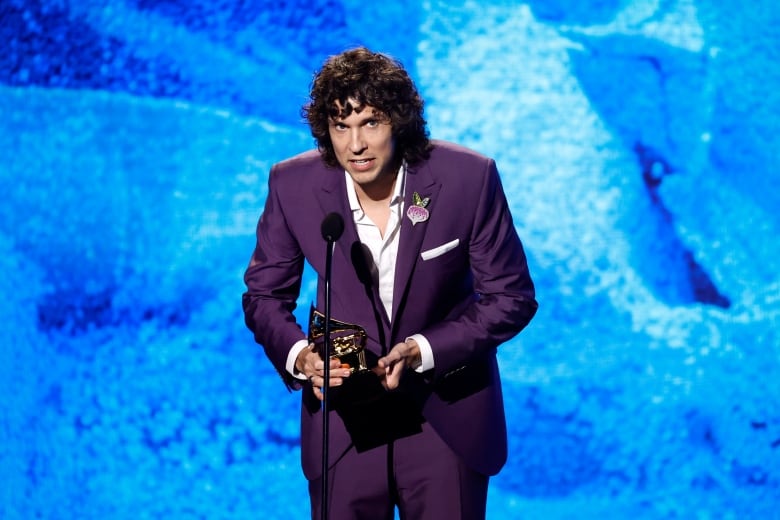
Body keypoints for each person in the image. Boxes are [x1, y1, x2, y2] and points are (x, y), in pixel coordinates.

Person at [242, 47, 538, 520]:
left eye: (370, 123)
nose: (355, 145)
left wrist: (425, 348)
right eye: (341, 126)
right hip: (344, 419)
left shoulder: (467, 178)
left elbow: (511, 297)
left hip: (445, 416)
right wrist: (302, 358)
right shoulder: (292, 185)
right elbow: (264, 297)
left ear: (398, 121)